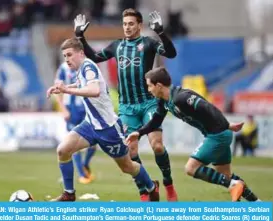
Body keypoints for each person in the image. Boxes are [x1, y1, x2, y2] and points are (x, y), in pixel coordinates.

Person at [73, 8, 178, 201]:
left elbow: (171, 53)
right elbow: (95, 57)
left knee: (157, 147)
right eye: (125, 24)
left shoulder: (149, 43)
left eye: (131, 24)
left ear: (139, 25)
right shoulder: (117, 46)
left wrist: (161, 32)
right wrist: (81, 37)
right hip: (127, 108)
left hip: (148, 103)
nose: (127, 27)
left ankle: (168, 184)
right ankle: (145, 190)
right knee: (130, 153)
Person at [46, 38, 159, 201]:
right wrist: (62, 88)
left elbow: (94, 90)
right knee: (63, 150)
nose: (67, 59)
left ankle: (151, 186)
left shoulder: (89, 66)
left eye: (69, 55)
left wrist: (67, 91)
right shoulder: (81, 69)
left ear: (81, 53)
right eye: (64, 56)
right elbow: (81, 85)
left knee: (127, 167)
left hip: (108, 128)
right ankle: (69, 194)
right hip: (90, 124)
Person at [126, 67, 261, 202]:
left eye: (149, 86)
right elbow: (155, 121)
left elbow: (207, 107)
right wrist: (139, 133)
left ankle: (234, 185)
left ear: (159, 86)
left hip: (218, 135)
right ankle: (256, 203)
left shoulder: (181, 97)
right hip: (219, 133)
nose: (148, 90)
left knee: (191, 168)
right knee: (225, 175)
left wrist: (227, 124)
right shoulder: (164, 101)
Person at [55, 62, 97, 184]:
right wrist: (63, 109)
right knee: (72, 143)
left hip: (86, 107)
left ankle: (85, 164)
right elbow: (58, 88)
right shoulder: (63, 68)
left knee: (94, 142)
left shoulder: (88, 66)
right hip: (71, 109)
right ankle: (82, 175)